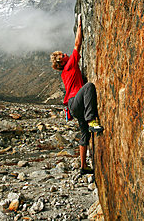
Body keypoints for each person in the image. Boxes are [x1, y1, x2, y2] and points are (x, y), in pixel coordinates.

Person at [50, 15, 104, 175]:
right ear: (62, 61)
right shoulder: (71, 63)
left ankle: (83, 166)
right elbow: (77, 44)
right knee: (88, 87)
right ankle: (92, 121)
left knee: (84, 134)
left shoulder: (64, 73)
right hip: (77, 101)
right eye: (62, 55)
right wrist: (80, 25)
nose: (65, 54)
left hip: (73, 107)